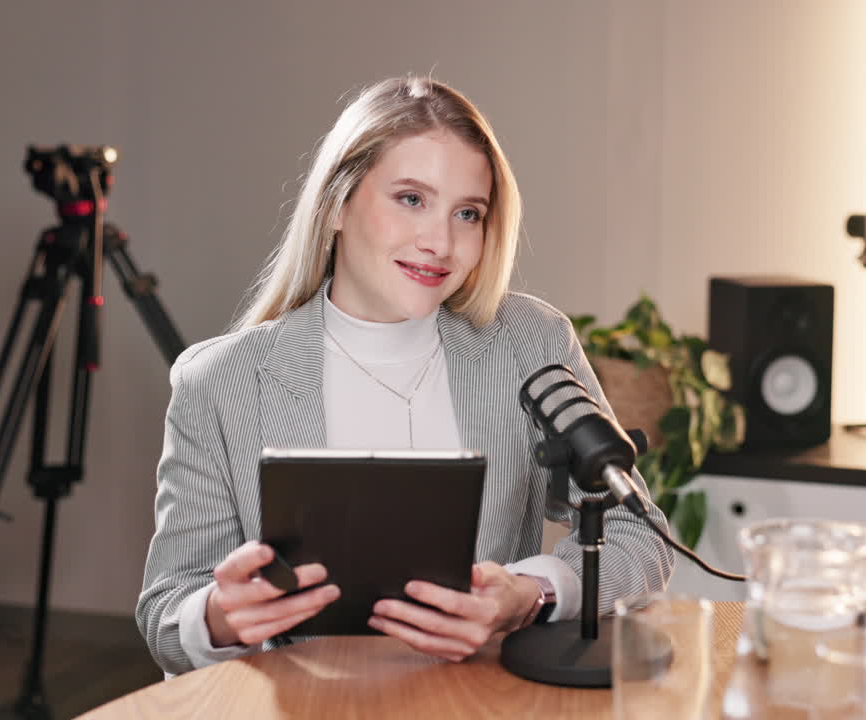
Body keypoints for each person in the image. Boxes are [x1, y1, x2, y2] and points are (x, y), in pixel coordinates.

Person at [136, 75, 674, 676]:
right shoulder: (220, 382)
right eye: (411, 199)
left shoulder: (529, 341)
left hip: (481, 705)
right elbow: (164, 614)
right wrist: (218, 616)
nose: (439, 242)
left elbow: (640, 538)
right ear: (336, 204)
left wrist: (531, 593)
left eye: (467, 213)